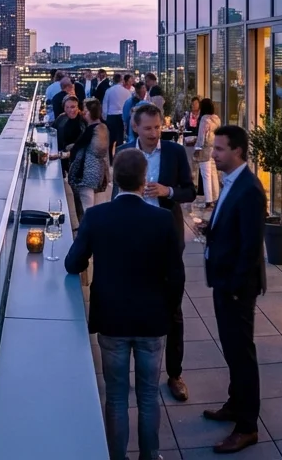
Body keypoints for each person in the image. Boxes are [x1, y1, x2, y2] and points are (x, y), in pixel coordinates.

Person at [66, 148, 184, 460]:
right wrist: (167, 310)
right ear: (144, 179)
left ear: (115, 179)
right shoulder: (162, 220)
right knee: (148, 395)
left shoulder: (96, 216)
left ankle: (117, 457)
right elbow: (177, 275)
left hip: (112, 320)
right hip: (151, 320)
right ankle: (150, 455)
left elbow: (73, 263)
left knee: (116, 397)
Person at [199, 124, 267, 453]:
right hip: (224, 282)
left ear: (238, 151)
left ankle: (247, 426)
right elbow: (232, 226)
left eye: (220, 149)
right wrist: (209, 227)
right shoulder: (231, 182)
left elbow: (251, 247)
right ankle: (234, 403)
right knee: (232, 349)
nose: (214, 154)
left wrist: (238, 289)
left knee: (241, 353)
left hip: (236, 288)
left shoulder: (250, 189)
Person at [121, 103, 196, 402]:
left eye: (158, 127)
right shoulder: (125, 153)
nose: (154, 133)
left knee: (173, 310)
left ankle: (175, 374)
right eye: (148, 128)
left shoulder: (175, 153)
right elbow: (118, 193)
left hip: (166, 240)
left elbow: (190, 190)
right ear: (135, 127)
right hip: (134, 241)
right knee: (133, 305)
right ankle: (133, 374)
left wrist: (169, 191)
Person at [64, 98, 110, 219]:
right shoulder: (96, 128)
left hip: (87, 175)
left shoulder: (96, 129)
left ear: (90, 112)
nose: (82, 112)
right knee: (91, 209)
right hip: (93, 175)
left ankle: (88, 233)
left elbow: (96, 150)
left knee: (87, 209)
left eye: (85, 110)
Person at [193, 98, 222, 206]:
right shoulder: (217, 119)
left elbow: (201, 137)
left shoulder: (204, 120)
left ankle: (208, 200)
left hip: (205, 149)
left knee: (206, 175)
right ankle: (216, 198)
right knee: (214, 174)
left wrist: (197, 149)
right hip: (214, 148)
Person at [102, 72, 133, 158]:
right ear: (121, 80)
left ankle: (110, 159)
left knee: (110, 140)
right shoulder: (127, 92)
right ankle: (119, 158)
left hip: (111, 116)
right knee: (120, 139)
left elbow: (105, 105)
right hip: (121, 117)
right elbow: (129, 106)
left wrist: (105, 117)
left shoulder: (109, 91)